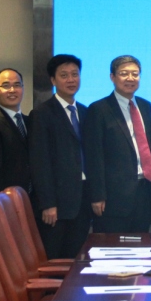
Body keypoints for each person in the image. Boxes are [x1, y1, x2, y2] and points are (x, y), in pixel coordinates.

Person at [83, 55, 151, 233]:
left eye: (135, 74)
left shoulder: (146, 106)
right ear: (112, 77)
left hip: (144, 193)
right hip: (113, 198)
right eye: (124, 74)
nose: (130, 78)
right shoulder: (99, 109)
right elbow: (94, 156)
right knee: (112, 246)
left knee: (142, 245)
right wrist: (97, 195)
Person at [29, 54, 91, 259]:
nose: (71, 80)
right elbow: (40, 163)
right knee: (55, 259)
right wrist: (48, 203)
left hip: (82, 200)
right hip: (56, 204)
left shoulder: (86, 112)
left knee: (77, 259)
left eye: (75, 74)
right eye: (64, 75)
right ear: (53, 80)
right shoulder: (42, 114)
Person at [0, 68, 31, 194]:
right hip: (8, 197)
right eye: (6, 86)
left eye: (17, 85)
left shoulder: (31, 121)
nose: (12, 90)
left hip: (34, 197)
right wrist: (2, 201)